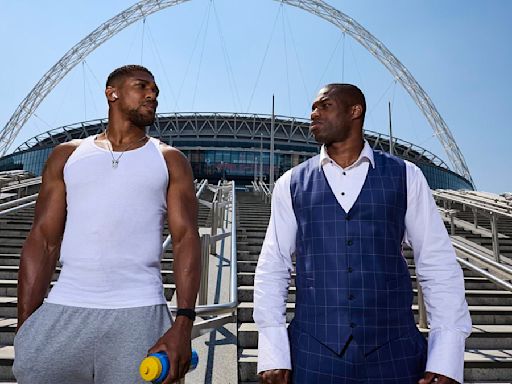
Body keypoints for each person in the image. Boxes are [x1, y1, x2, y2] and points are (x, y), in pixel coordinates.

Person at [253, 84, 471, 384]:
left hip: (396, 355)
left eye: (324, 105)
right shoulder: (290, 183)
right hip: (313, 356)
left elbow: (437, 263)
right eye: (313, 107)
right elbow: (273, 265)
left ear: (355, 111)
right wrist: (273, 350)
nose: (313, 113)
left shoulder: (407, 175)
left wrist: (446, 354)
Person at [14, 65, 201, 384]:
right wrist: (26, 328)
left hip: (140, 312)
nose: (152, 95)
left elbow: (185, 240)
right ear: (111, 93)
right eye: (142, 86)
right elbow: (43, 240)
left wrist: (183, 321)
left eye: (155, 90)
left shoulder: (170, 160)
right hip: (64, 308)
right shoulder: (67, 155)